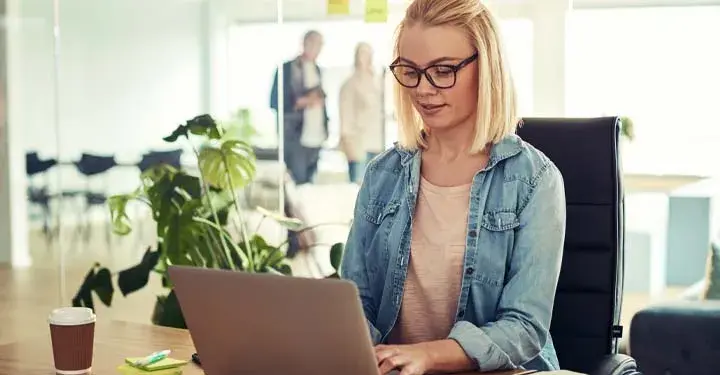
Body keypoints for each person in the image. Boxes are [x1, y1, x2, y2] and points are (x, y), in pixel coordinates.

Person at [339, 0, 567, 374]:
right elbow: (353, 302)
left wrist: (428, 355)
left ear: (486, 68)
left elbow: (525, 328)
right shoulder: (382, 174)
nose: (423, 90)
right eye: (409, 71)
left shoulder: (534, 181)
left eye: (443, 70)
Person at [270, 30, 329, 185]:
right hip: (295, 138)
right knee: (297, 184)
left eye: (320, 44)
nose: (317, 48)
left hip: (316, 137)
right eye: (314, 43)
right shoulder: (286, 69)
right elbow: (274, 101)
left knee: (310, 185)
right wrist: (303, 102)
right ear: (304, 43)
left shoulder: (318, 69)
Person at [339, 42, 385, 183]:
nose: (366, 58)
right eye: (363, 53)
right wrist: (347, 142)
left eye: (369, 53)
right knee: (358, 187)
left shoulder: (377, 81)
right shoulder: (350, 84)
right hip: (358, 144)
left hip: (377, 143)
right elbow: (345, 115)